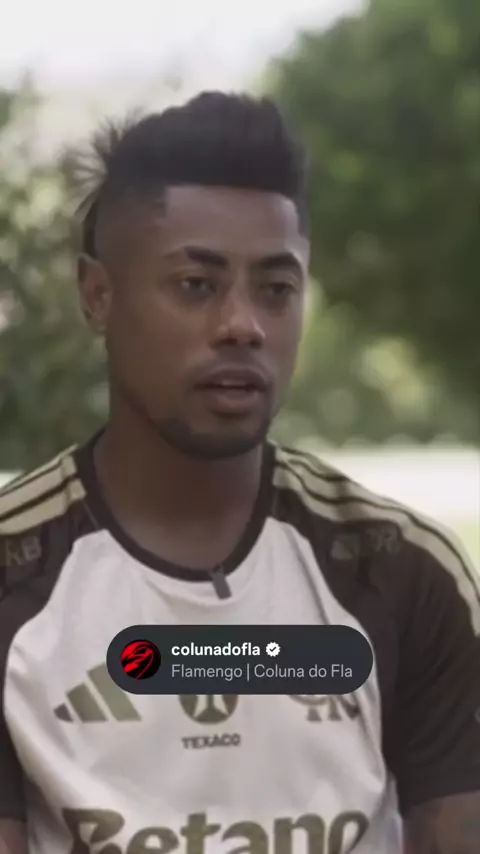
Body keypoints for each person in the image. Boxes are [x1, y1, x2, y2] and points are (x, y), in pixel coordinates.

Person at [0, 91, 479, 854]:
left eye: (276, 289)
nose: (243, 325)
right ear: (98, 295)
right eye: (197, 285)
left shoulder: (401, 571)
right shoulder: (15, 576)